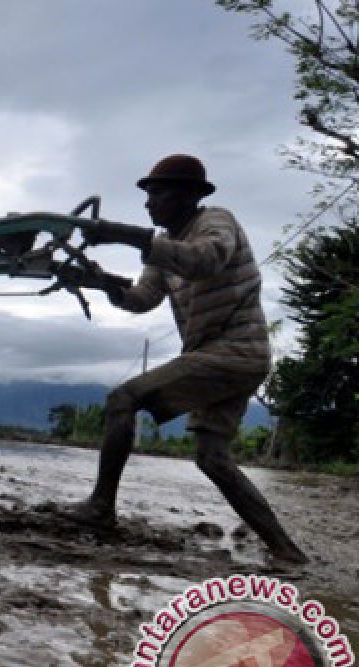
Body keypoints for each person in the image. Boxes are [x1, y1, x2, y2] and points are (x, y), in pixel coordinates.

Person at [56, 154, 309, 565]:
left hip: (234, 353)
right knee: (212, 458)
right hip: (225, 357)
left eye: (158, 193)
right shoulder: (165, 250)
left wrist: (125, 235)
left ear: (190, 196)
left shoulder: (216, 223)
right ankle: (287, 552)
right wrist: (96, 280)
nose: (149, 204)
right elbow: (141, 300)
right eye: (148, 195)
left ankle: (101, 508)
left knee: (123, 399)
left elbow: (205, 259)